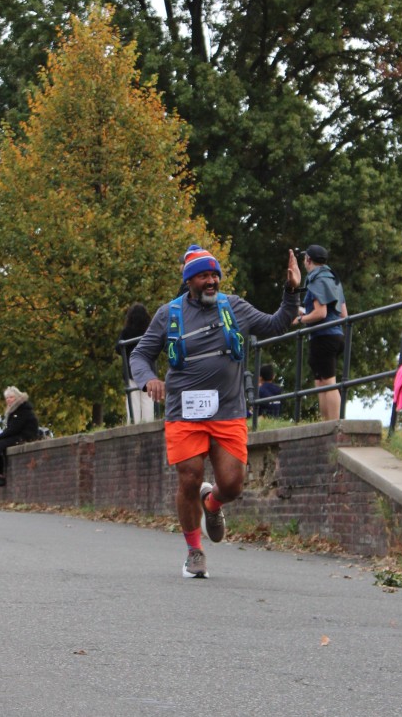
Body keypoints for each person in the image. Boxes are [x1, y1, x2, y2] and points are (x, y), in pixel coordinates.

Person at [131, 246, 301, 578]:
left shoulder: (234, 307)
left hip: (228, 410)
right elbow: (139, 354)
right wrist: (148, 379)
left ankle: (213, 503)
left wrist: (292, 290)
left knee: (233, 485)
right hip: (184, 413)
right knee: (189, 477)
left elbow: (277, 324)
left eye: (214, 275)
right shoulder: (169, 314)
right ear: (189, 281)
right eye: (203, 276)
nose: (211, 281)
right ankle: (194, 552)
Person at [292, 243, 348, 422]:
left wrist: (300, 319)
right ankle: (326, 425)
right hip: (336, 335)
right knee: (321, 382)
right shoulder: (333, 278)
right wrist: (305, 313)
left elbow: (321, 313)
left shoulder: (316, 279)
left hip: (323, 337)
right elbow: (343, 314)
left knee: (328, 383)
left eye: (304, 258)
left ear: (308, 260)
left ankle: (334, 425)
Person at [0, 387, 40, 487]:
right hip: (17, 435)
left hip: (24, 436)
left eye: (11, 397)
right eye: (7, 398)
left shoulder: (22, 410)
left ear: (17, 397)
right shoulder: (14, 411)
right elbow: (10, 429)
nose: (8, 400)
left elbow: (14, 429)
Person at [117, 302, 156, 423]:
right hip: (147, 369)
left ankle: (134, 423)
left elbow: (118, 349)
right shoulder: (149, 331)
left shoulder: (126, 332)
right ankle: (149, 423)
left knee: (133, 399)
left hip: (131, 369)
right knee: (147, 399)